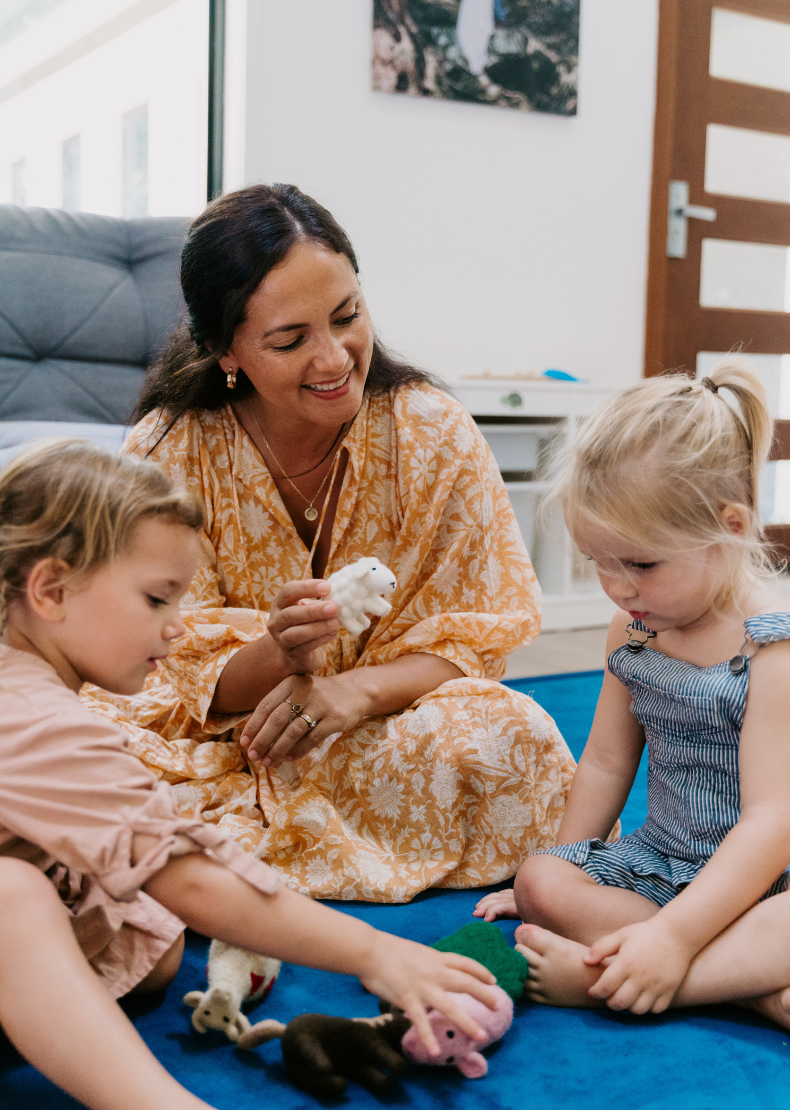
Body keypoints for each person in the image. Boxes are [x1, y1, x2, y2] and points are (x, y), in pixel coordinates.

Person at [0, 440, 500, 1110]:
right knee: (9, 892)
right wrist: (377, 954)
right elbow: (189, 877)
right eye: (156, 600)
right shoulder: (29, 721)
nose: (177, 629)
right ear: (52, 591)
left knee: (147, 937)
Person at [81, 182, 575, 902]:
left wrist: (353, 690)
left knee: (509, 732)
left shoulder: (433, 432)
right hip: (223, 739)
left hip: (380, 728)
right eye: (290, 340)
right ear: (225, 349)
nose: (334, 358)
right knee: (80, 739)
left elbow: (473, 641)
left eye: (348, 316)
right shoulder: (169, 449)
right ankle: (268, 847)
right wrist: (279, 655)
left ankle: (204, 864)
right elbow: (166, 663)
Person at [474, 363, 790, 1030]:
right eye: (600, 562)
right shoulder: (636, 631)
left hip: (765, 880)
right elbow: (607, 763)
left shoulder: (773, 649)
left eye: (641, 564)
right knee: (538, 880)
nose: (619, 588)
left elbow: (769, 824)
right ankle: (751, 987)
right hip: (661, 863)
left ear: (730, 526)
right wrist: (558, 869)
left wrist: (674, 938)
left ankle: (643, 976)